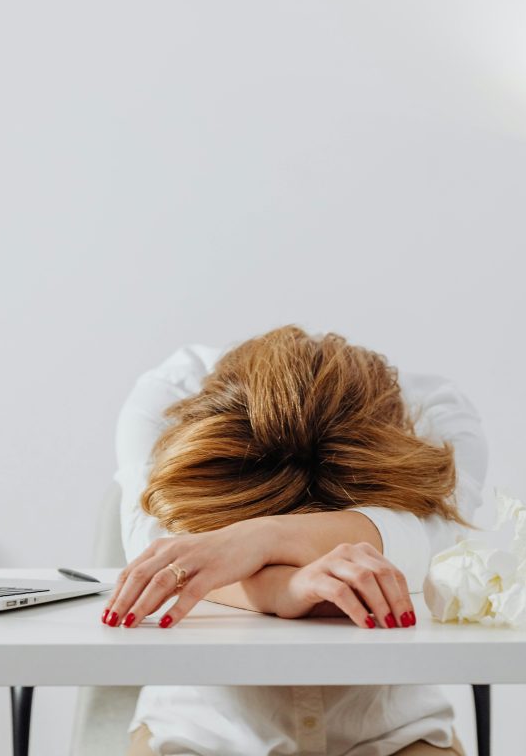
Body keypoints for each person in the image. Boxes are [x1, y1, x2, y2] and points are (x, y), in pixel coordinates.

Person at [104, 324, 488, 756]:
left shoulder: (436, 413)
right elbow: (162, 561)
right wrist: (286, 589)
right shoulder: (169, 391)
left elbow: (433, 544)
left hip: (394, 734)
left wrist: (260, 537)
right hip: (201, 733)